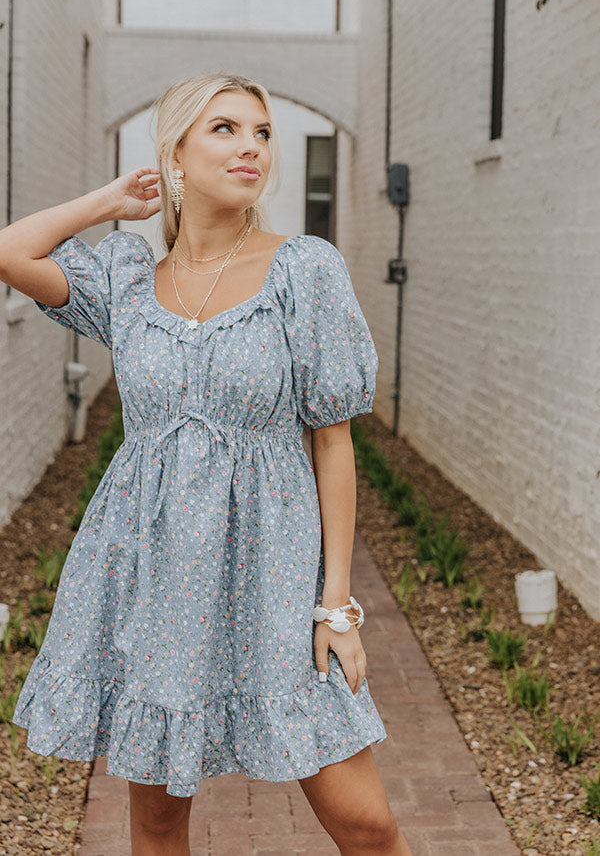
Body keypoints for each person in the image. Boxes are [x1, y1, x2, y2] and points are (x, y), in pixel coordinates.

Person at [1, 73, 412, 856]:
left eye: (261, 132)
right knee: (158, 824)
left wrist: (337, 605)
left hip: (274, 578)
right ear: (176, 155)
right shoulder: (125, 277)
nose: (251, 146)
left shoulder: (303, 271)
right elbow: (9, 252)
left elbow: (333, 441)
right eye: (224, 129)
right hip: (150, 582)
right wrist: (108, 202)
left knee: (365, 824)